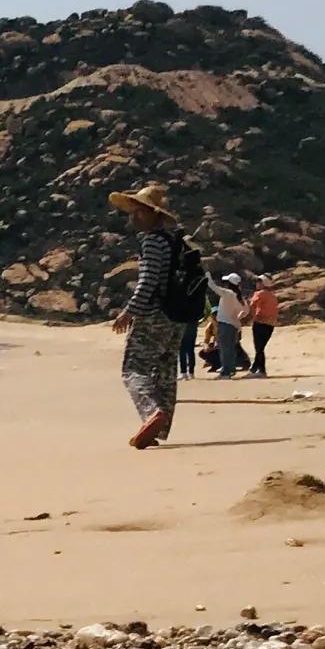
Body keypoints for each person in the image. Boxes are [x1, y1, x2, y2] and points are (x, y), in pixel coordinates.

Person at [107, 182, 200, 449]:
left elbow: (148, 281)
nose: (133, 217)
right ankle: (160, 429)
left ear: (154, 214)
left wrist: (129, 311)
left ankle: (152, 414)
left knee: (133, 369)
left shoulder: (152, 241)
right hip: (179, 315)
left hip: (155, 314)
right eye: (132, 212)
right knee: (166, 371)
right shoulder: (176, 241)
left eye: (139, 212)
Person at [210, 274, 246, 377]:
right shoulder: (238, 296)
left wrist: (207, 276)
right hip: (233, 325)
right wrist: (237, 317)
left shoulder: (228, 293)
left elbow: (213, 287)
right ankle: (231, 369)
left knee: (224, 348)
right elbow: (245, 310)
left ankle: (226, 371)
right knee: (230, 348)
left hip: (225, 324)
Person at [246, 277, 281, 376]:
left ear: (263, 284)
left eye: (258, 282)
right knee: (261, 347)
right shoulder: (273, 296)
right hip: (271, 324)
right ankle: (254, 368)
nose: (256, 283)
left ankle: (261, 370)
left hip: (260, 322)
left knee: (259, 348)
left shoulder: (259, 293)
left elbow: (252, 305)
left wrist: (250, 318)